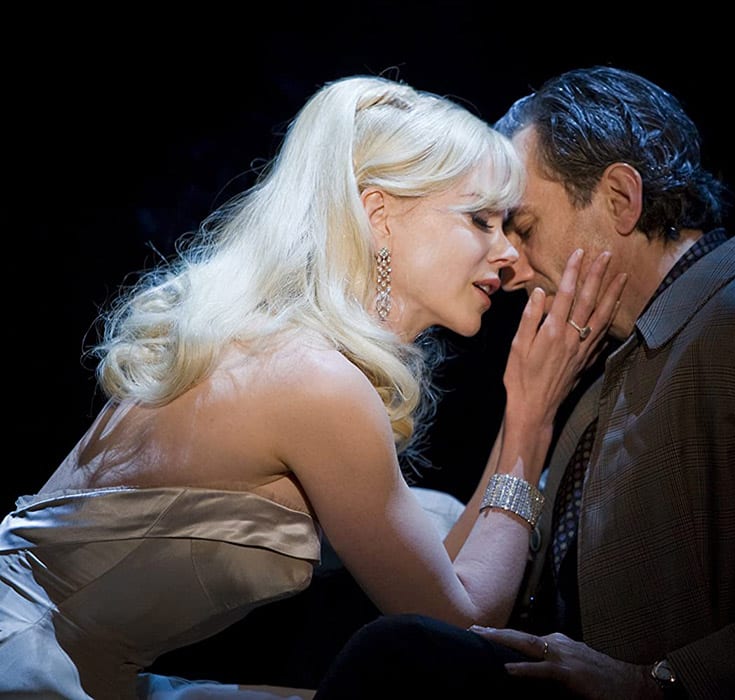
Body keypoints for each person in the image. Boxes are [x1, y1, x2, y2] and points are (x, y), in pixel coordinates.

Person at [313, 66, 735, 699]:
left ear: (619, 199)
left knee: (395, 654)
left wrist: (661, 683)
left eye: (523, 225)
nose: (506, 262)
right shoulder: (611, 358)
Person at [0, 74, 625, 699]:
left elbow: (438, 579)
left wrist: (520, 420)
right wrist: (531, 420)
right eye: (481, 220)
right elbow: (459, 626)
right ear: (379, 216)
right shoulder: (314, 381)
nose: (509, 255)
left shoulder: (283, 348)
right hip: (28, 667)